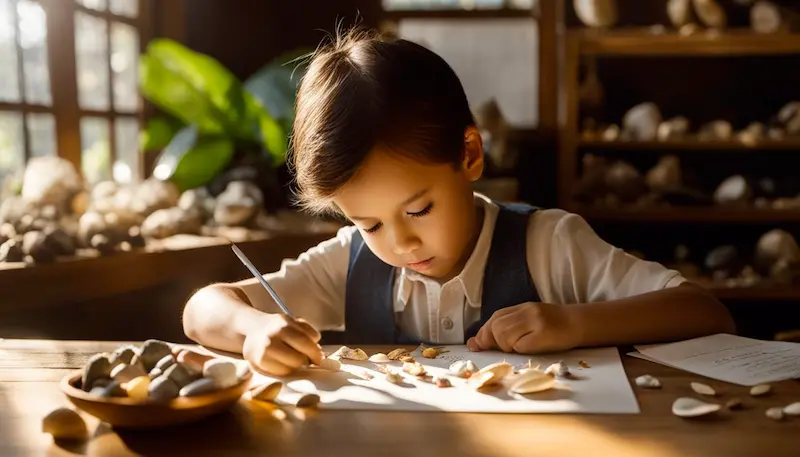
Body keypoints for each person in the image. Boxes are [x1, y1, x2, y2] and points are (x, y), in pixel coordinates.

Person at [182, 29, 736, 377]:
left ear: (469, 153)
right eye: (369, 222)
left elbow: (704, 311)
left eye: (418, 210)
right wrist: (254, 330)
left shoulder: (549, 244)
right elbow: (203, 308)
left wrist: (574, 324)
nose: (399, 242)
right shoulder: (350, 261)